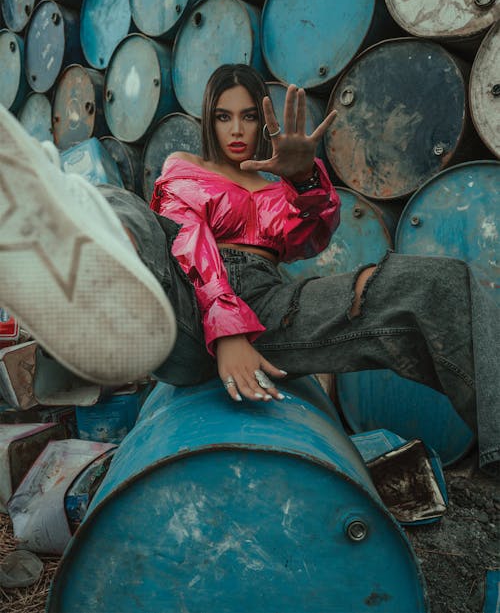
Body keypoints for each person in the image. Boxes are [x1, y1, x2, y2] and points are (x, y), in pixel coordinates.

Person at [0, 64, 498, 472]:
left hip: (270, 305)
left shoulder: (278, 181)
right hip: (188, 299)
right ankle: (78, 247)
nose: (236, 130)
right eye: (223, 116)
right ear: (207, 122)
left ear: (264, 122)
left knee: (437, 282)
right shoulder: (183, 166)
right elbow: (188, 239)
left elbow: (312, 238)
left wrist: (305, 179)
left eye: (247, 117)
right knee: (131, 211)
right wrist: (225, 328)